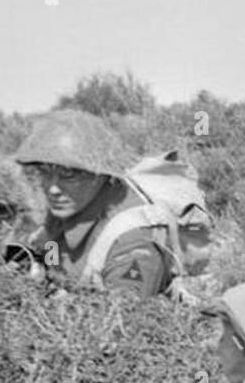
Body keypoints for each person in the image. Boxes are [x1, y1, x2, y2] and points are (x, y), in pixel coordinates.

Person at [12, 109, 176, 295]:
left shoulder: (135, 238)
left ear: (100, 174)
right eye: (45, 172)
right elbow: (53, 262)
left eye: (68, 174)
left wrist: (58, 302)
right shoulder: (62, 215)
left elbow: (126, 315)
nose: (53, 189)